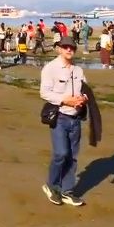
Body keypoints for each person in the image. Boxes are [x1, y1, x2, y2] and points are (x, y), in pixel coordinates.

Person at [38, 36, 88, 207]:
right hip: (59, 117)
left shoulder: (78, 70)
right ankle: (51, 186)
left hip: (76, 119)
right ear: (59, 48)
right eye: (65, 47)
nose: (69, 50)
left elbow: (86, 89)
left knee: (72, 157)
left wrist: (83, 98)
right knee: (61, 154)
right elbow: (44, 93)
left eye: (72, 48)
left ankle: (67, 191)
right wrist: (65, 100)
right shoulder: (50, 68)